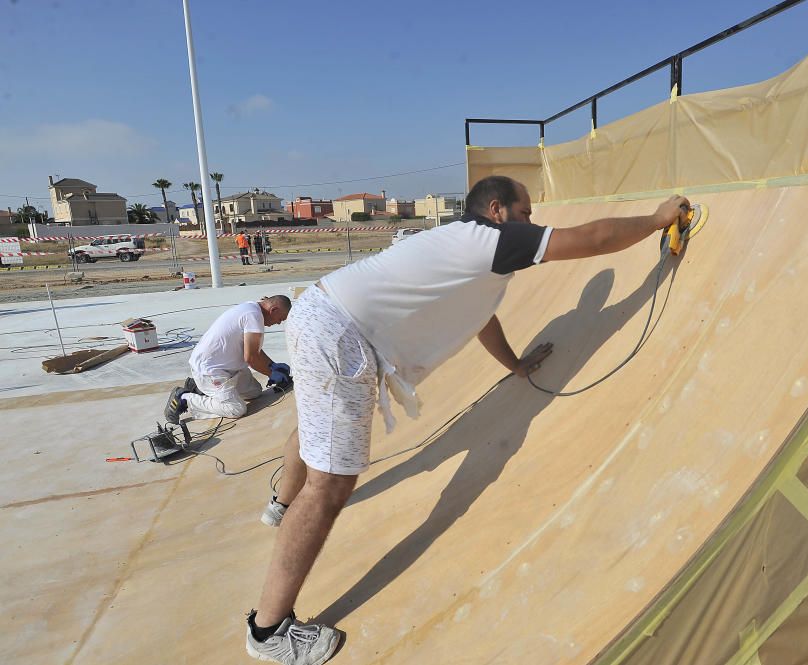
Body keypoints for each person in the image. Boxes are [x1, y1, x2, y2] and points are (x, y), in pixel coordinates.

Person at [243, 175, 690, 664]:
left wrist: (515, 365)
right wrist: (657, 219)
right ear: (497, 210)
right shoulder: (490, 239)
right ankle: (268, 631)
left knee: (316, 429)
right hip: (343, 336)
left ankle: (281, 506)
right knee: (331, 486)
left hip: (325, 315)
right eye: (525, 214)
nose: (532, 223)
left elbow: (482, 319)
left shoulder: (465, 255)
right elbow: (591, 239)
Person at [164, 295, 293, 424]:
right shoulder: (253, 316)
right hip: (210, 370)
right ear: (273, 310)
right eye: (280, 319)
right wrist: (271, 373)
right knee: (236, 409)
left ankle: (199, 388)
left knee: (254, 392)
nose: (278, 323)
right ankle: (184, 398)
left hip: (227, 367)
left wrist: (272, 365)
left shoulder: (252, 309)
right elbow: (251, 358)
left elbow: (253, 349)